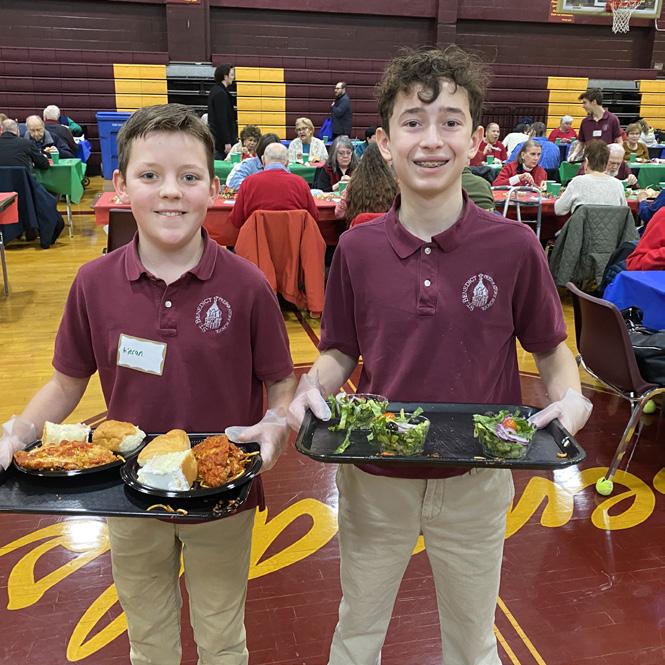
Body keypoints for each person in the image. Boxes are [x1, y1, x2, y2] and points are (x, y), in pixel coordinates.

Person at [287, 46, 591, 665]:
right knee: (356, 635)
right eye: (413, 122)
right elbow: (339, 350)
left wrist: (572, 396)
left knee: (473, 643)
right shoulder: (358, 250)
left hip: (478, 478)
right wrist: (311, 387)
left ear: (476, 141)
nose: (431, 139)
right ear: (383, 142)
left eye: (450, 122)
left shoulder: (514, 247)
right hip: (374, 478)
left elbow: (551, 351)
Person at [0, 103, 296, 665]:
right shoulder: (93, 283)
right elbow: (66, 382)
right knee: (148, 637)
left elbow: (280, 380)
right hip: (127, 495)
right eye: (150, 175)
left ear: (214, 188)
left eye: (189, 177)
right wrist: (17, 430)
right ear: (120, 185)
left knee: (222, 636)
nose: (171, 192)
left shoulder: (247, 284)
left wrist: (277, 421)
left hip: (219, 498)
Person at [230, 142, 319, 228]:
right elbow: (314, 217)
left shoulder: (248, 183)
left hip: (256, 237)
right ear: (287, 163)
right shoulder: (301, 183)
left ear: (263, 160)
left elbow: (237, 221)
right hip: (294, 237)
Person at [554, 140, 626, 216]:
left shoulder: (577, 182)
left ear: (586, 161)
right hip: (611, 223)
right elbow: (624, 213)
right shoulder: (618, 185)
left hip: (582, 224)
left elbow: (559, 210)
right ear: (606, 162)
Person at [334, 142, 397, 224]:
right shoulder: (396, 186)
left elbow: (339, 213)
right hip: (387, 229)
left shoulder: (352, 185)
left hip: (358, 229)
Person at [207, 63, 237, 159]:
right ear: (225, 76)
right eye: (231, 75)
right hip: (221, 142)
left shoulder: (216, 90)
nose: (233, 78)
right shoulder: (220, 93)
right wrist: (227, 141)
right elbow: (222, 119)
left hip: (218, 139)